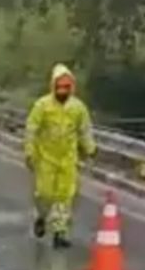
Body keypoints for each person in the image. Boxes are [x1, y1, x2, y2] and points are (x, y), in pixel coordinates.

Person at [24, 64, 97, 248]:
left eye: (66, 87)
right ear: (53, 86)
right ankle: (41, 216)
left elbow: (84, 130)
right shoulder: (42, 106)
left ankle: (60, 231)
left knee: (65, 196)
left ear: (71, 87)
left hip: (68, 159)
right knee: (45, 194)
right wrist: (29, 152)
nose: (62, 91)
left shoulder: (78, 108)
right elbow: (31, 130)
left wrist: (90, 148)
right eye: (59, 87)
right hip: (46, 158)